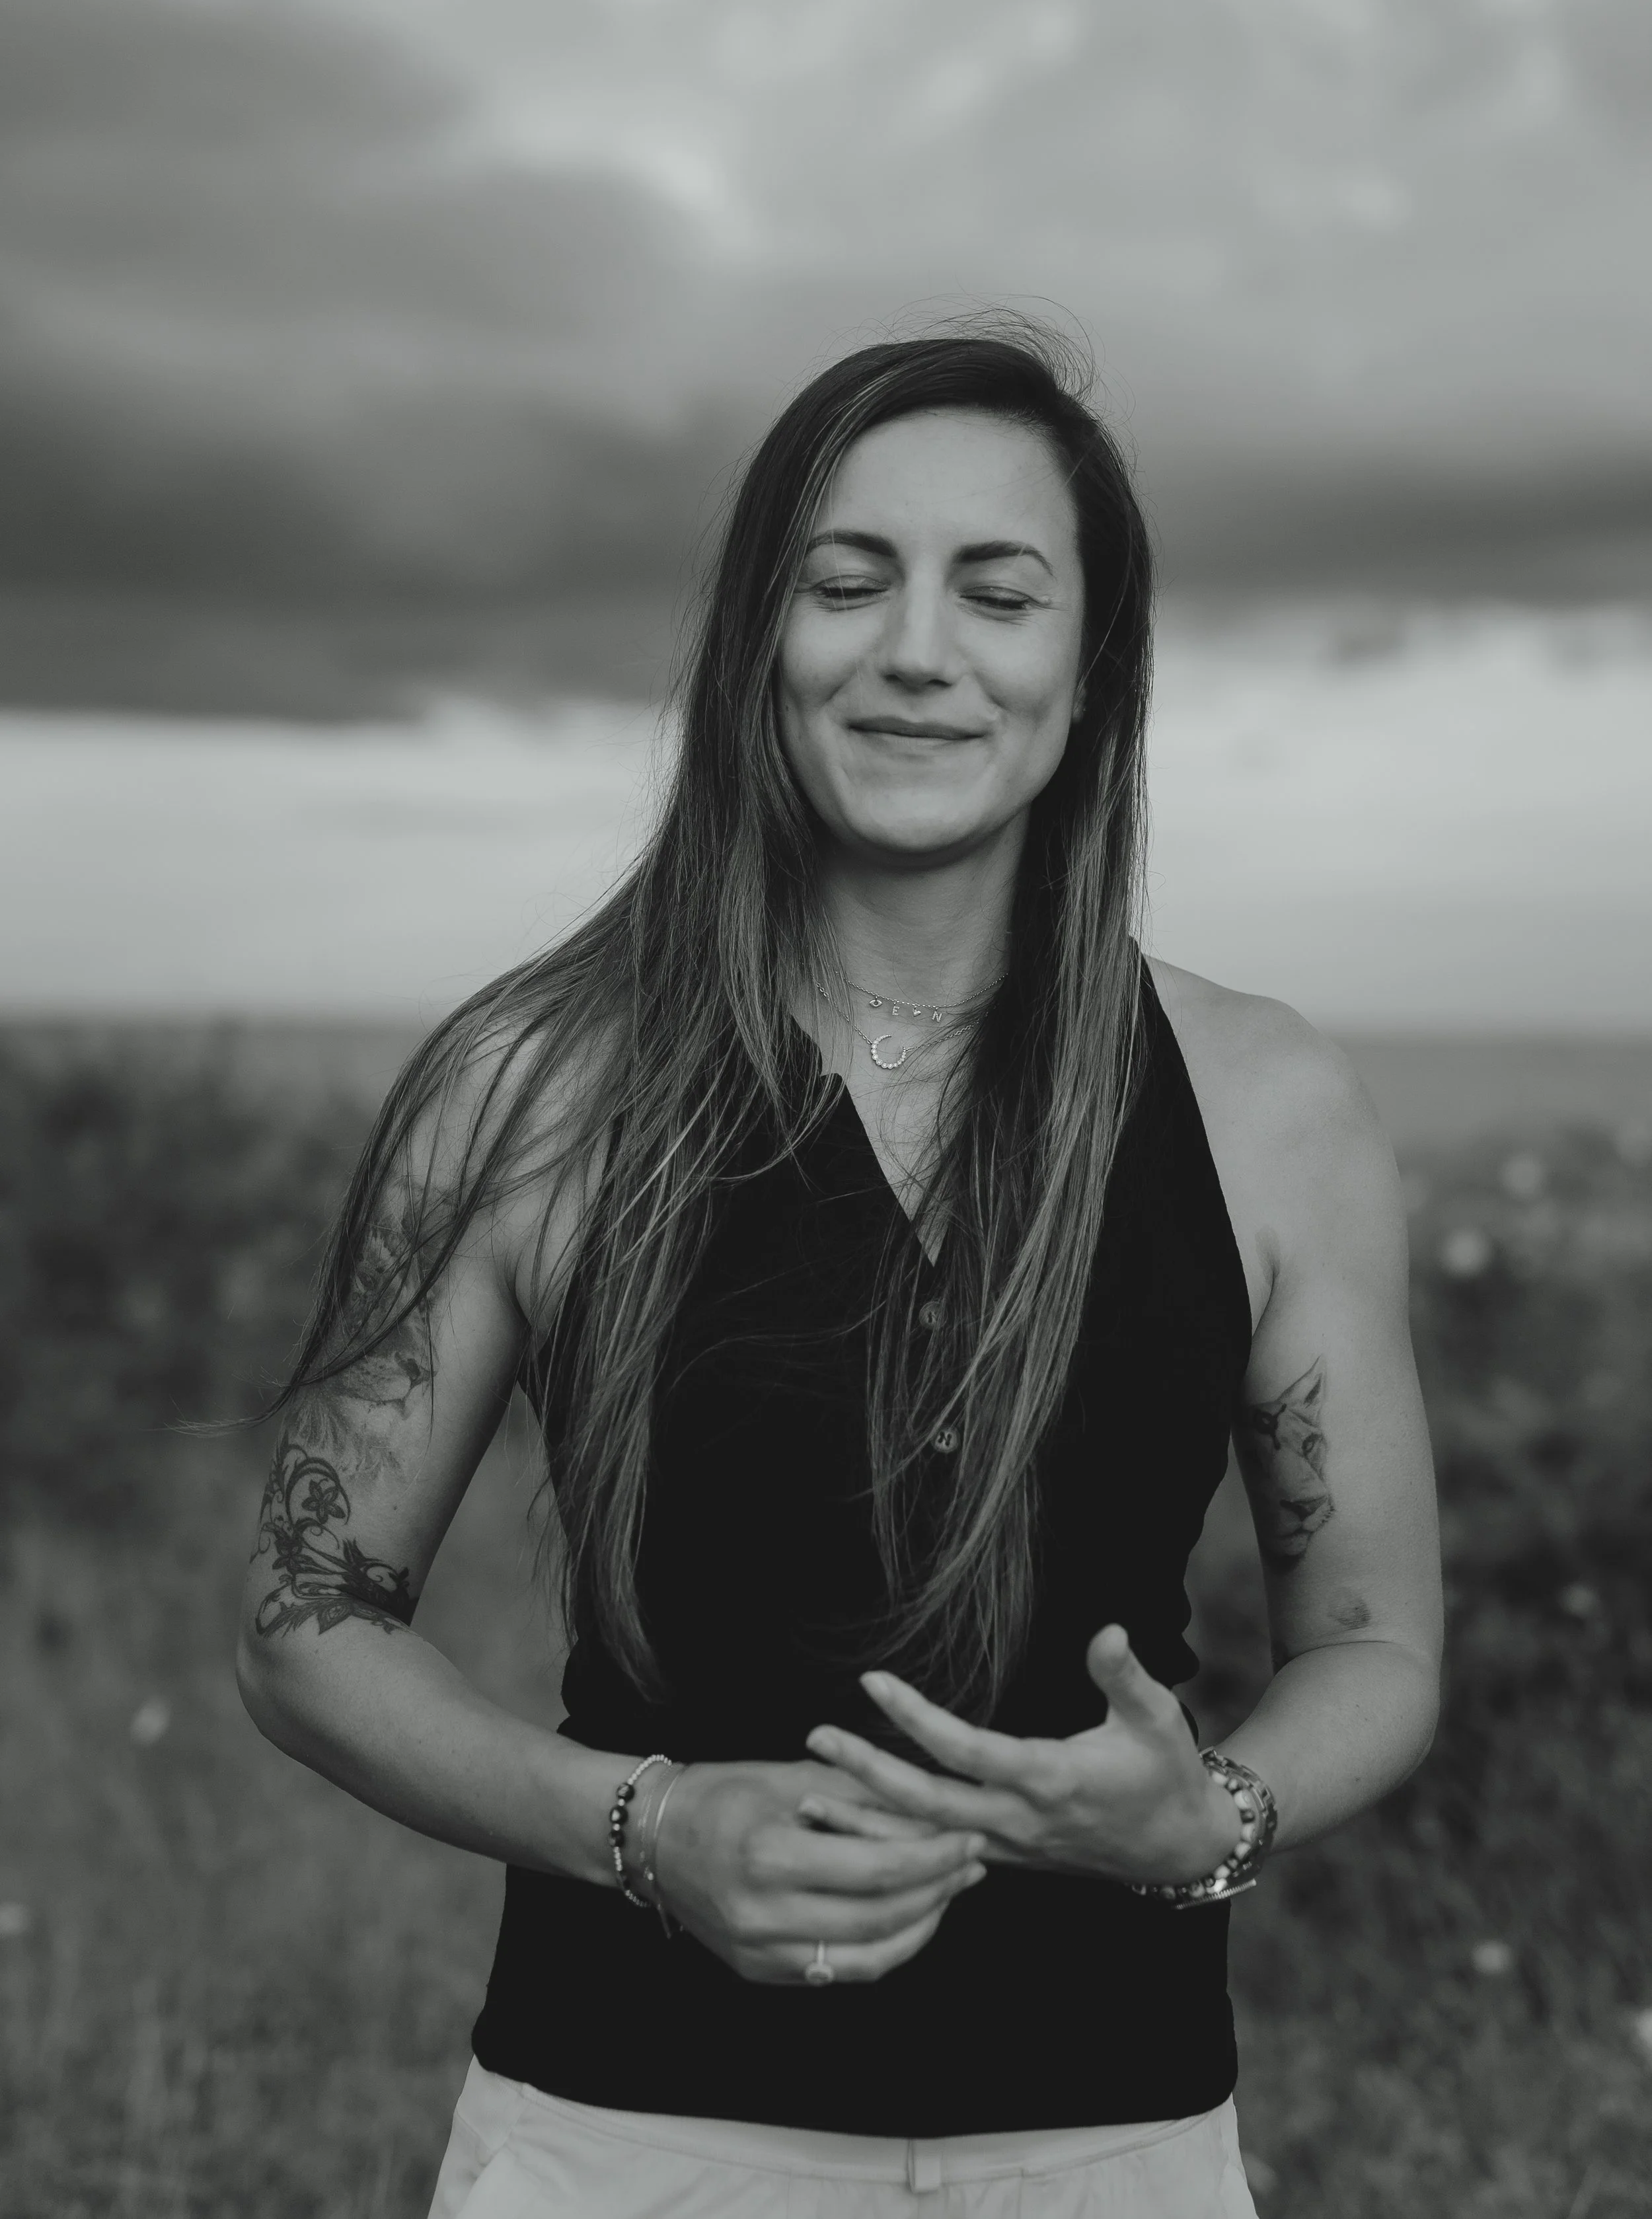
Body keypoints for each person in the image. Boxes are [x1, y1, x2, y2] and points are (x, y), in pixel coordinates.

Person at [237, 325, 1443, 2218]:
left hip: (1117, 2142)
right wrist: (644, 1827)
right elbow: (306, 1616)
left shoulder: (1265, 1098)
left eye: (997, 588)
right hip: (623, 2140)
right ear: (757, 641)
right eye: (845, 578)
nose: (914, 650)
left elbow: (1371, 1646)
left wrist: (1200, 1815)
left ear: (1090, 660)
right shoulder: (532, 1085)